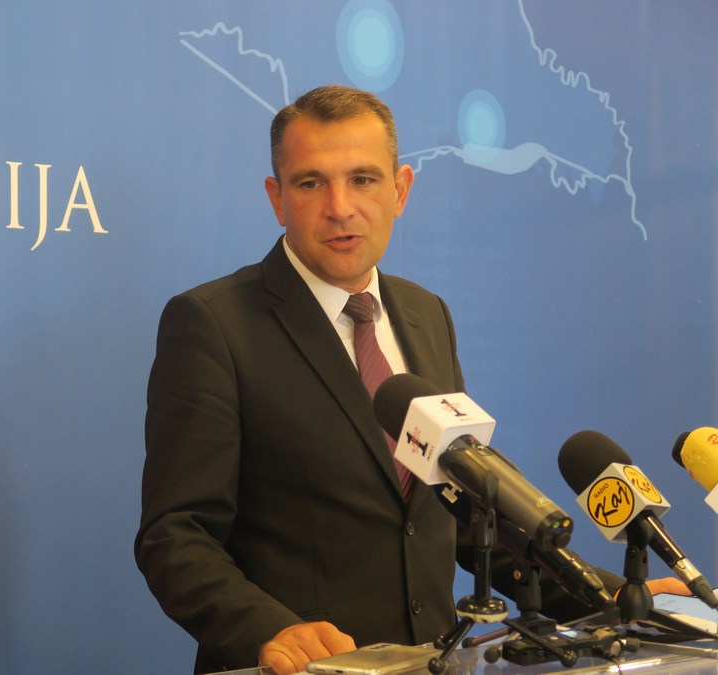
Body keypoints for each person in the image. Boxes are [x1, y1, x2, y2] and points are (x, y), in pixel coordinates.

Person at [133, 85, 684, 675]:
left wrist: (610, 598)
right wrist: (270, 631)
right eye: (311, 183)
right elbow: (177, 536)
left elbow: (472, 515)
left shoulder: (426, 314)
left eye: (363, 180)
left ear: (400, 191)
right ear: (277, 198)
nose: (340, 207)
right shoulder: (214, 324)